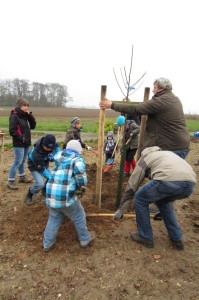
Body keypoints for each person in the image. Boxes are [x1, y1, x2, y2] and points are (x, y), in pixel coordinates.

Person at [114, 146, 196, 250]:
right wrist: (161, 211)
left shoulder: (145, 159)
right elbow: (176, 182)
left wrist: (121, 209)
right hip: (190, 184)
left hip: (168, 180)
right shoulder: (167, 154)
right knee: (164, 202)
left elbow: (132, 186)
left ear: (144, 154)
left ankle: (145, 237)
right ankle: (177, 239)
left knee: (139, 198)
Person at [99, 78, 190, 158]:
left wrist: (112, 105)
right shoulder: (174, 99)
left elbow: (136, 109)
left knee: (163, 174)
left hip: (171, 148)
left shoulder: (161, 101)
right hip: (180, 144)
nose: (153, 90)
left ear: (161, 88)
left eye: (154, 87)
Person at [43, 140, 95, 251]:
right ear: (78, 151)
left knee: (54, 218)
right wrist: (81, 186)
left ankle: (47, 244)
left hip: (51, 195)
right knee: (79, 215)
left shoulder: (59, 158)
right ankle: (85, 239)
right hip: (65, 197)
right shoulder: (76, 160)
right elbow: (81, 173)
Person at [7, 98, 36, 190]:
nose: (26, 107)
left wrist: (30, 115)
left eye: (27, 106)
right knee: (17, 162)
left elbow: (33, 126)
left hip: (26, 142)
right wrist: (21, 138)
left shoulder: (25, 116)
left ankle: (22, 177)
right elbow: (12, 131)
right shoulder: (14, 116)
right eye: (24, 105)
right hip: (19, 143)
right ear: (20, 106)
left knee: (23, 161)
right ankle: (10, 181)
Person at [24, 134, 60, 205]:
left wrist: (58, 157)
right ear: (43, 144)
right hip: (34, 165)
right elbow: (41, 168)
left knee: (52, 176)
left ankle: (44, 190)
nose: (49, 149)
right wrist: (50, 178)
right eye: (47, 148)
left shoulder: (51, 142)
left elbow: (56, 147)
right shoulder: (37, 153)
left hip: (43, 163)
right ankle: (29, 195)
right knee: (40, 183)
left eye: (50, 148)